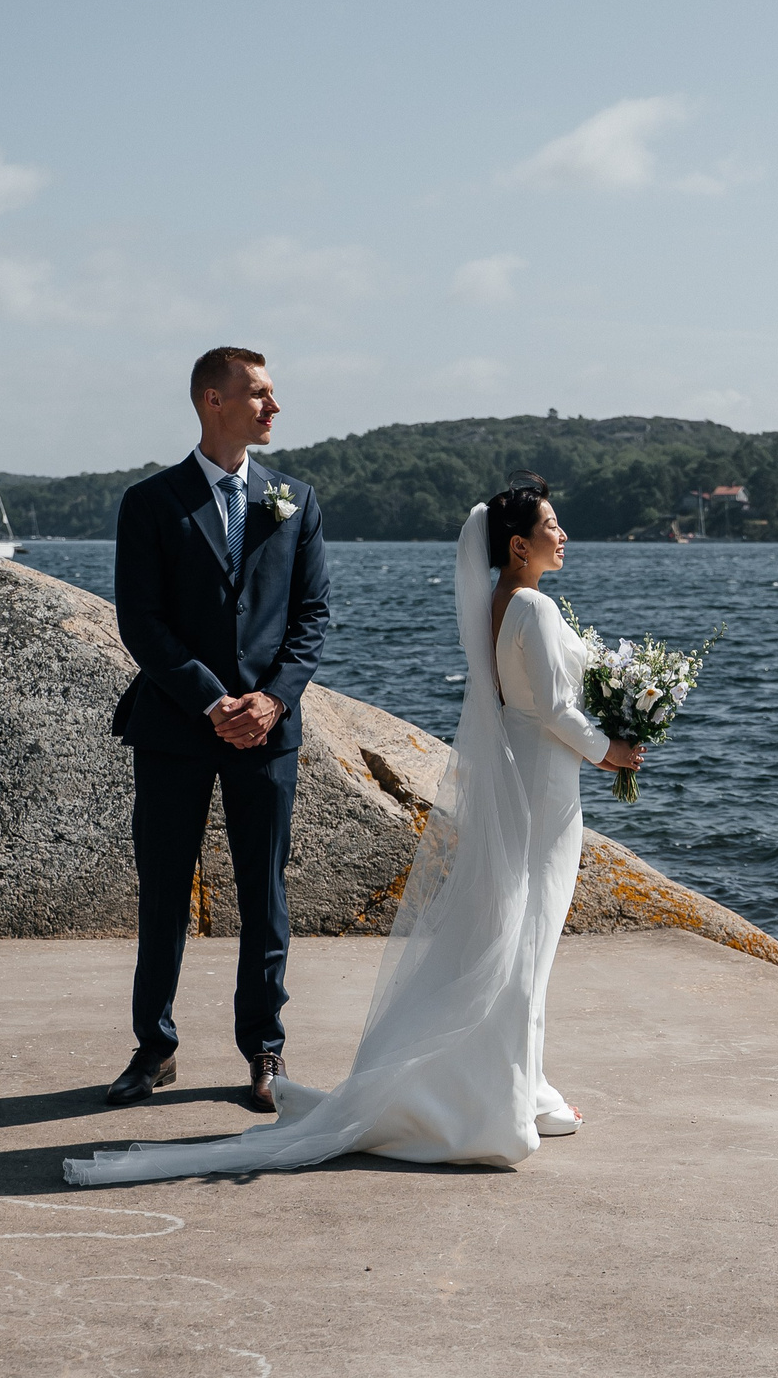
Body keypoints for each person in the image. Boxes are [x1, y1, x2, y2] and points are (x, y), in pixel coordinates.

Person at [63, 477, 642, 1185]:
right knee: (526, 939)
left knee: (510, 935)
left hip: (518, 778)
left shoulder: (497, 603)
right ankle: (504, 1095)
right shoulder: (536, 607)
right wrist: (612, 748)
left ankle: (523, 1083)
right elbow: (554, 706)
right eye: (553, 524)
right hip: (545, 788)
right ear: (518, 545)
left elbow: (512, 693)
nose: (564, 534)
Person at [101, 346, 330, 1113]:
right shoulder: (151, 502)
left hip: (268, 732)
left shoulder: (295, 499)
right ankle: (155, 1046)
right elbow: (143, 621)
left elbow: (311, 617)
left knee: (264, 891)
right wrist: (210, 700)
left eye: (272, 393)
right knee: (164, 891)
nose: (274, 407)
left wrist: (269, 701)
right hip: (175, 726)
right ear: (213, 400)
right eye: (259, 393)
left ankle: (264, 1048)